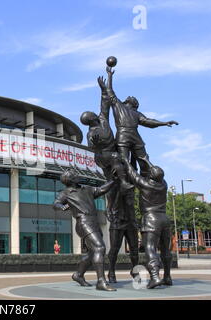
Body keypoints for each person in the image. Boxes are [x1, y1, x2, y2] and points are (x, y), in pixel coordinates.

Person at [80, 76, 139, 283]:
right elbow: (90, 147)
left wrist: (105, 86)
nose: (93, 117)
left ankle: (135, 271)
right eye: (90, 118)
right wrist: (94, 144)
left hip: (116, 158)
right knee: (114, 160)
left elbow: (104, 103)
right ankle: (111, 272)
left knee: (122, 161)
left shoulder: (103, 119)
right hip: (105, 158)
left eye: (90, 116)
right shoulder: (92, 133)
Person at [106, 67, 179, 177]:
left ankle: (145, 182)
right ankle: (129, 182)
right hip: (130, 137)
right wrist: (110, 76)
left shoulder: (128, 109)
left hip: (126, 137)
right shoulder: (120, 106)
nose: (130, 97)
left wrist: (164, 123)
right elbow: (109, 91)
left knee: (134, 161)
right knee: (134, 161)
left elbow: (149, 122)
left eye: (132, 98)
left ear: (133, 103)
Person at [53, 169, 116, 291]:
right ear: (70, 179)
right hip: (83, 222)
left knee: (93, 253)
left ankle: (78, 274)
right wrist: (61, 206)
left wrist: (113, 180)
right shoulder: (66, 193)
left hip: (94, 222)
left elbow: (101, 190)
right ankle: (101, 281)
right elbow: (55, 204)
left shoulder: (87, 189)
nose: (78, 175)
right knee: (100, 248)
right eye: (75, 175)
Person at [121, 157, 173, 289]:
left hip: (151, 219)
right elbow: (157, 173)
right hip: (164, 218)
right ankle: (167, 276)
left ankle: (155, 277)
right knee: (166, 249)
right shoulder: (163, 185)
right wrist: (147, 161)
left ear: (151, 175)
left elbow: (133, 174)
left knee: (150, 248)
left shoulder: (146, 185)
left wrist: (126, 161)